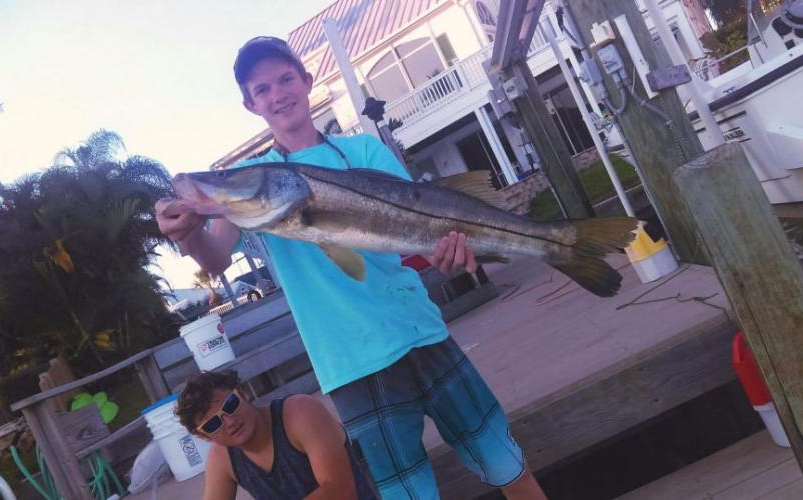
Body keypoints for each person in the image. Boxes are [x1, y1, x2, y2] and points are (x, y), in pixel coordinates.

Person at [156, 36, 546, 500]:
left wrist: (450, 252)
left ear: (307, 81)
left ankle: (556, 244)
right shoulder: (254, 182)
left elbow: (423, 225)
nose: (278, 94)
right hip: (349, 364)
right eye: (262, 89)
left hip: (420, 332)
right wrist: (189, 235)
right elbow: (216, 256)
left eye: (285, 79)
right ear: (250, 104)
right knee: (407, 495)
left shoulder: (363, 151)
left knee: (506, 463)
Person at [176, 370, 376, 499]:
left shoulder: (300, 413)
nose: (229, 422)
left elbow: (341, 491)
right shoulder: (222, 458)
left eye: (230, 405)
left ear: (243, 393)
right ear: (204, 436)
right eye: (213, 424)